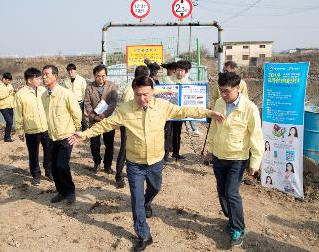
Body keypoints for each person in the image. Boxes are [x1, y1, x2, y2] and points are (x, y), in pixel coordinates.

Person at [69, 75, 224, 251]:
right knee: (136, 199)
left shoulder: (162, 106)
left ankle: (147, 202)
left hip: (156, 160)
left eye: (146, 94)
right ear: (133, 93)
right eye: (138, 95)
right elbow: (106, 125)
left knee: (155, 188)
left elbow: (185, 111)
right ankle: (143, 234)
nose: (142, 98)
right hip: (135, 163)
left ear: (152, 92)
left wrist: (209, 113)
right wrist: (85, 134)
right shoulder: (125, 110)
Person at [206, 72, 264, 247]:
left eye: (226, 91)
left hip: (237, 158)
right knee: (222, 193)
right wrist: (210, 150)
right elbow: (214, 129)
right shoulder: (219, 103)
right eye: (220, 91)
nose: (223, 95)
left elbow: (256, 136)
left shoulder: (249, 108)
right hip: (219, 156)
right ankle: (231, 219)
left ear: (237, 89)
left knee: (232, 193)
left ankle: (239, 228)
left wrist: (255, 162)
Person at [41, 65, 82, 205]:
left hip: (66, 136)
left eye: (47, 74)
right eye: (43, 74)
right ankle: (61, 192)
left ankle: (70, 192)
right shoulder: (43, 95)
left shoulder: (66, 93)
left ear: (55, 77)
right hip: (51, 136)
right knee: (53, 166)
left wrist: (77, 132)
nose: (44, 77)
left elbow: (77, 113)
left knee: (62, 166)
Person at [14, 67, 52, 186]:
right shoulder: (20, 94)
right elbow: (18, 114)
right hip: (31, 130)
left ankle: (49, 172)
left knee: (49, 151)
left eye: (40, 77)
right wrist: (19, 130)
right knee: (33, 153)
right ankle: (36, 174)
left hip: (45, 127)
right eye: (37, 78)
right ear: (29, 80)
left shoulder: (43, 91)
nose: (40, 79)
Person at [116, 65, 150, 188]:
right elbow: (130, 110)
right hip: (128, 124)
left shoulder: (138, 88)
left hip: (140, 124)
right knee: (125, 149)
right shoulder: (131, 90)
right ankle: (118, 175)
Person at [84, 64, 118, 174]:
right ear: (94, 76)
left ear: (106, 75)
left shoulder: (112, 86)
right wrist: (93, 116)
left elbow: (113, 102)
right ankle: (97, 162)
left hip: (108, 120)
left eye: (103, 76)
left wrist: (104, 114)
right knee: (94, 144)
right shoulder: (89, 87)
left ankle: (107, 165)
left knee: (109, 144)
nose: (101, 78)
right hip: (94, 121)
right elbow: (87, 103)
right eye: (98, 76)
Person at [169, 60, 201, 160]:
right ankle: (164, 154)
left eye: (182, 70)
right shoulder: (168, 79)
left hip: (180, 113)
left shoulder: (189, 82)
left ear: (186, 72)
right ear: (175, 70)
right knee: (166, 132)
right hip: (168, 111)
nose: (179, 72)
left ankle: (176, 152)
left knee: (177, 132)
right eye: (178, 70)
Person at [63, 63, 88, 131]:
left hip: (79, 102)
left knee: (80, 116)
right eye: (69, 70)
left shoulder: (81, 80)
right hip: (69, 102)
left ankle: (85, 128)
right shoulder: (66, 81)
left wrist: (85, 102)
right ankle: (73, 130)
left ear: (75, 71)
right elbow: (64, 91)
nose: (70, 72)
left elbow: (85, 91)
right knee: (71, 116)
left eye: (72, 70)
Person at [0, 72, 15, 142]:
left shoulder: (10, 85)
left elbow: (12, 94)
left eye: (10, 80)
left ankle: (7, 137)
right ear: (4, 79)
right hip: (3, 107)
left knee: (10, 122)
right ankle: (7, 137)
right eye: (8, 80)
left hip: (11, 106)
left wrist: (15, 92)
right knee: (9, 122)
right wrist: (8, 93)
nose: (9, 82)